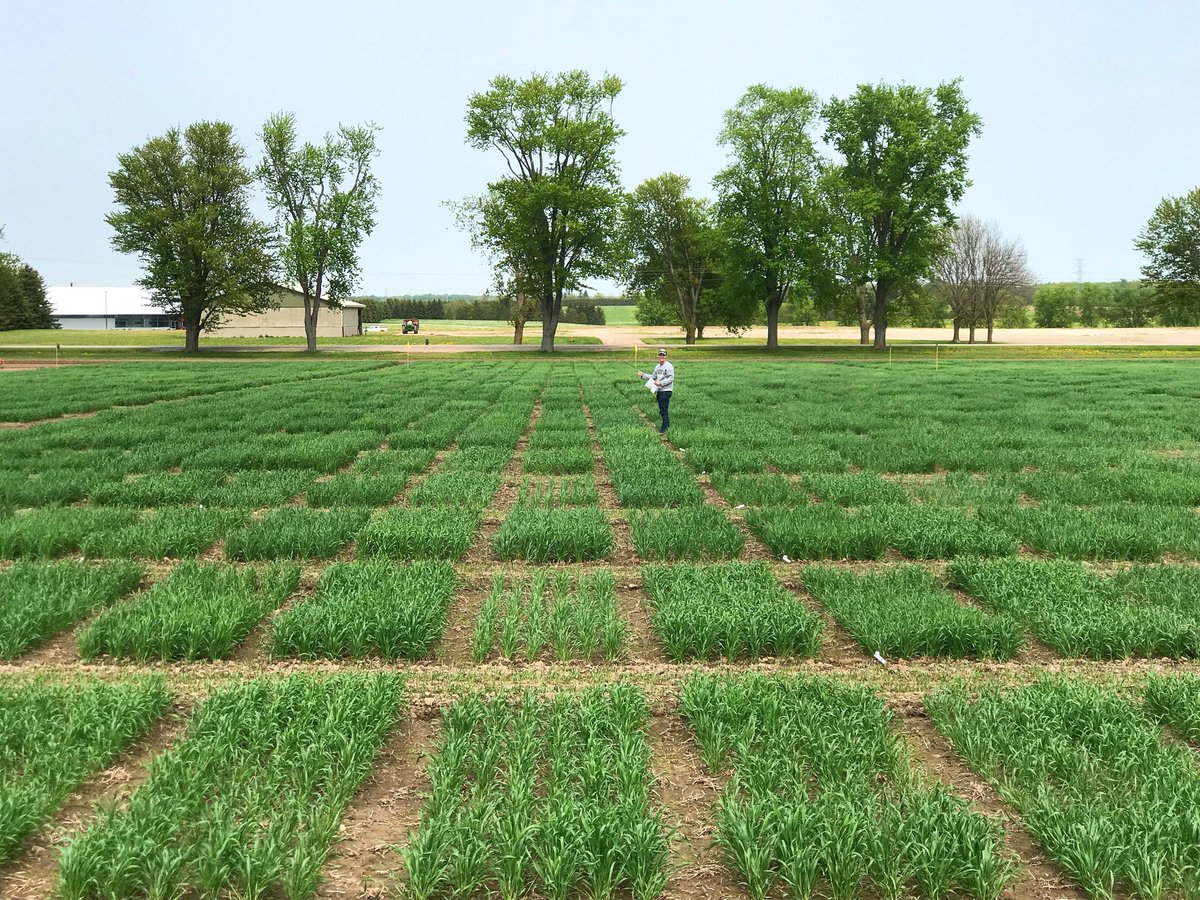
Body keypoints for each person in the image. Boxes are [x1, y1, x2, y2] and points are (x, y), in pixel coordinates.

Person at [638, 348, 675, 433]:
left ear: (666, 356)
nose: (662, 356)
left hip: (666, 391)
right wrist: (642, 375)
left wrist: (661, 383)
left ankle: (664, 428)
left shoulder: (669, 366)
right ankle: (666, 426)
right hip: (659, 391)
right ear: (658, 356)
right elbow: (653, 377)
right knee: (662, 410)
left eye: (663, 355)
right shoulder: (657, 366)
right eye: (660, 355)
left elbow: (671, 378)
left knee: (663, 410)